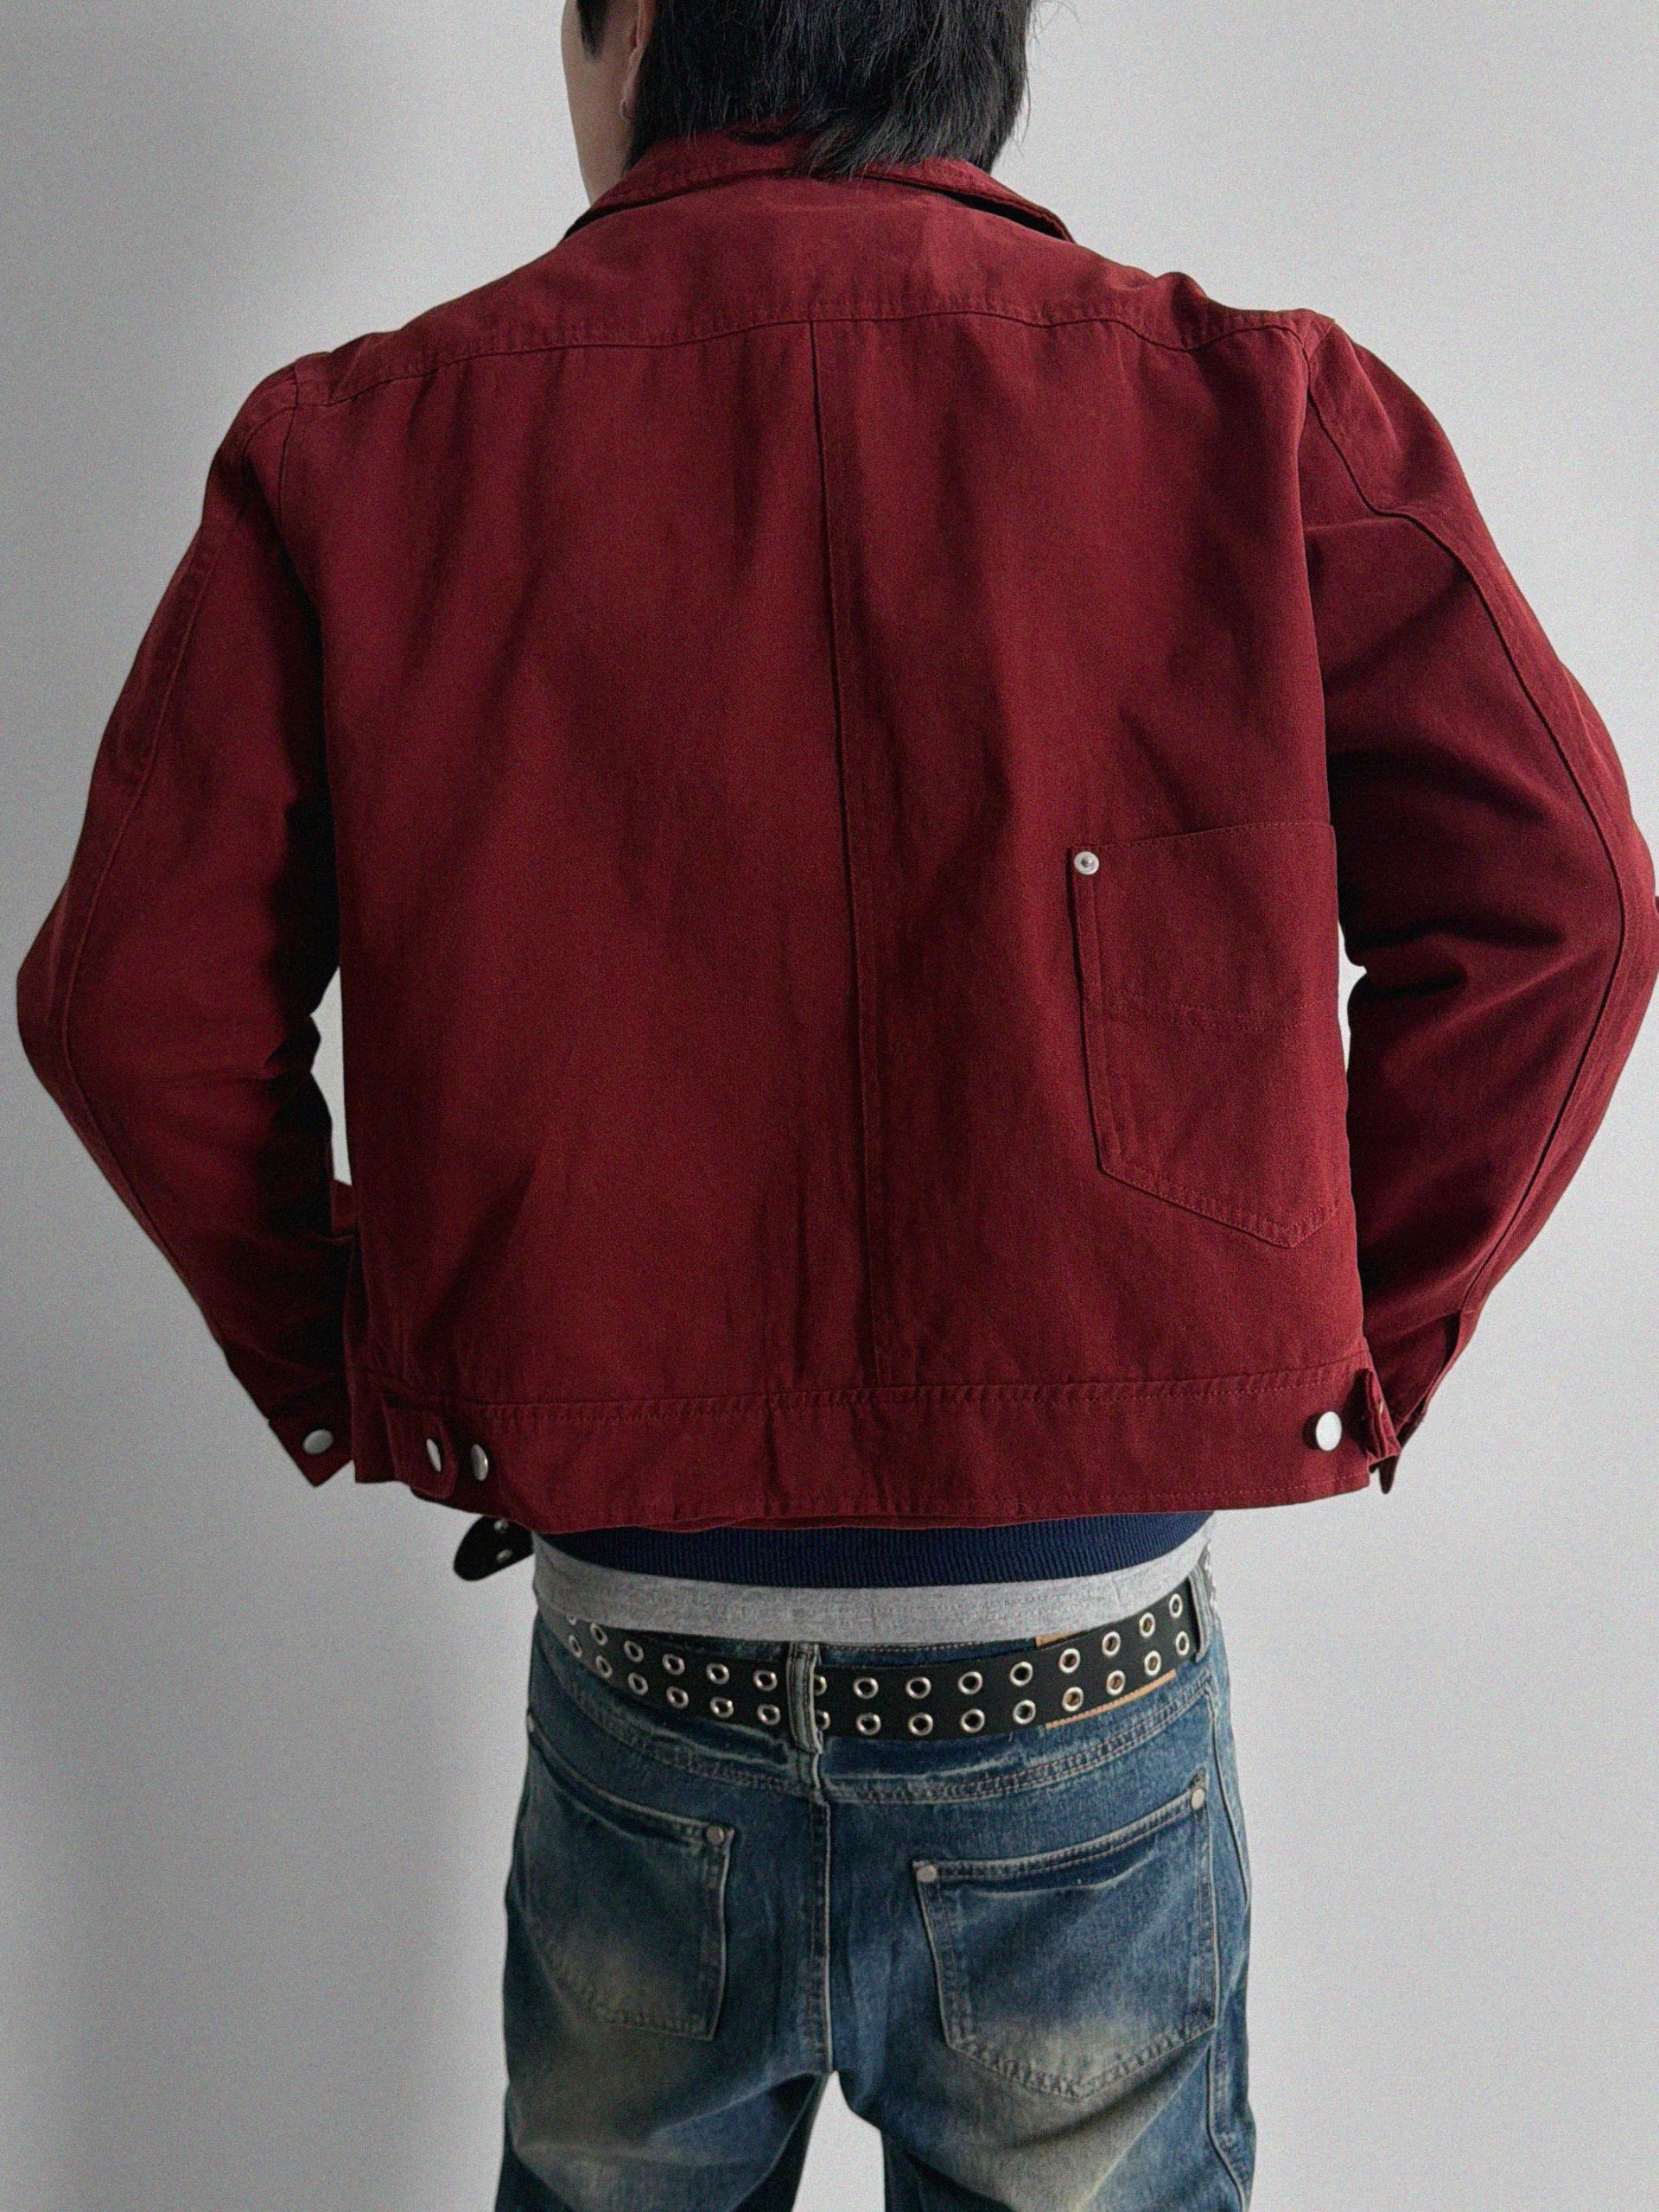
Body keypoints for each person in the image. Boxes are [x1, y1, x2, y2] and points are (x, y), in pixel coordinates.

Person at [17, 0, 1659, 2203]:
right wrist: (1353, 1338)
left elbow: (127, 999)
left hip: (642, 1657)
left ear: (629, 30)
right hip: (1073, 1665)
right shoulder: (1251, 406)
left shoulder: (362, 442)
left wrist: (361, 1353)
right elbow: (1571, 907)